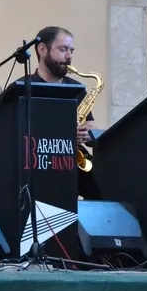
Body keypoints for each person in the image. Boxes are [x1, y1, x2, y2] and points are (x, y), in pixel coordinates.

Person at [28, 26, 100, 199]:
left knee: (101, 190)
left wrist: (89, 134)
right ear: (42, 50)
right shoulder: (25, 87)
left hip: (72, 157)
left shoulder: (76, 88)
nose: (69, 56)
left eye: (71, 50)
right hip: (39, 160)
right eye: (63, 49)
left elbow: (91, 126)